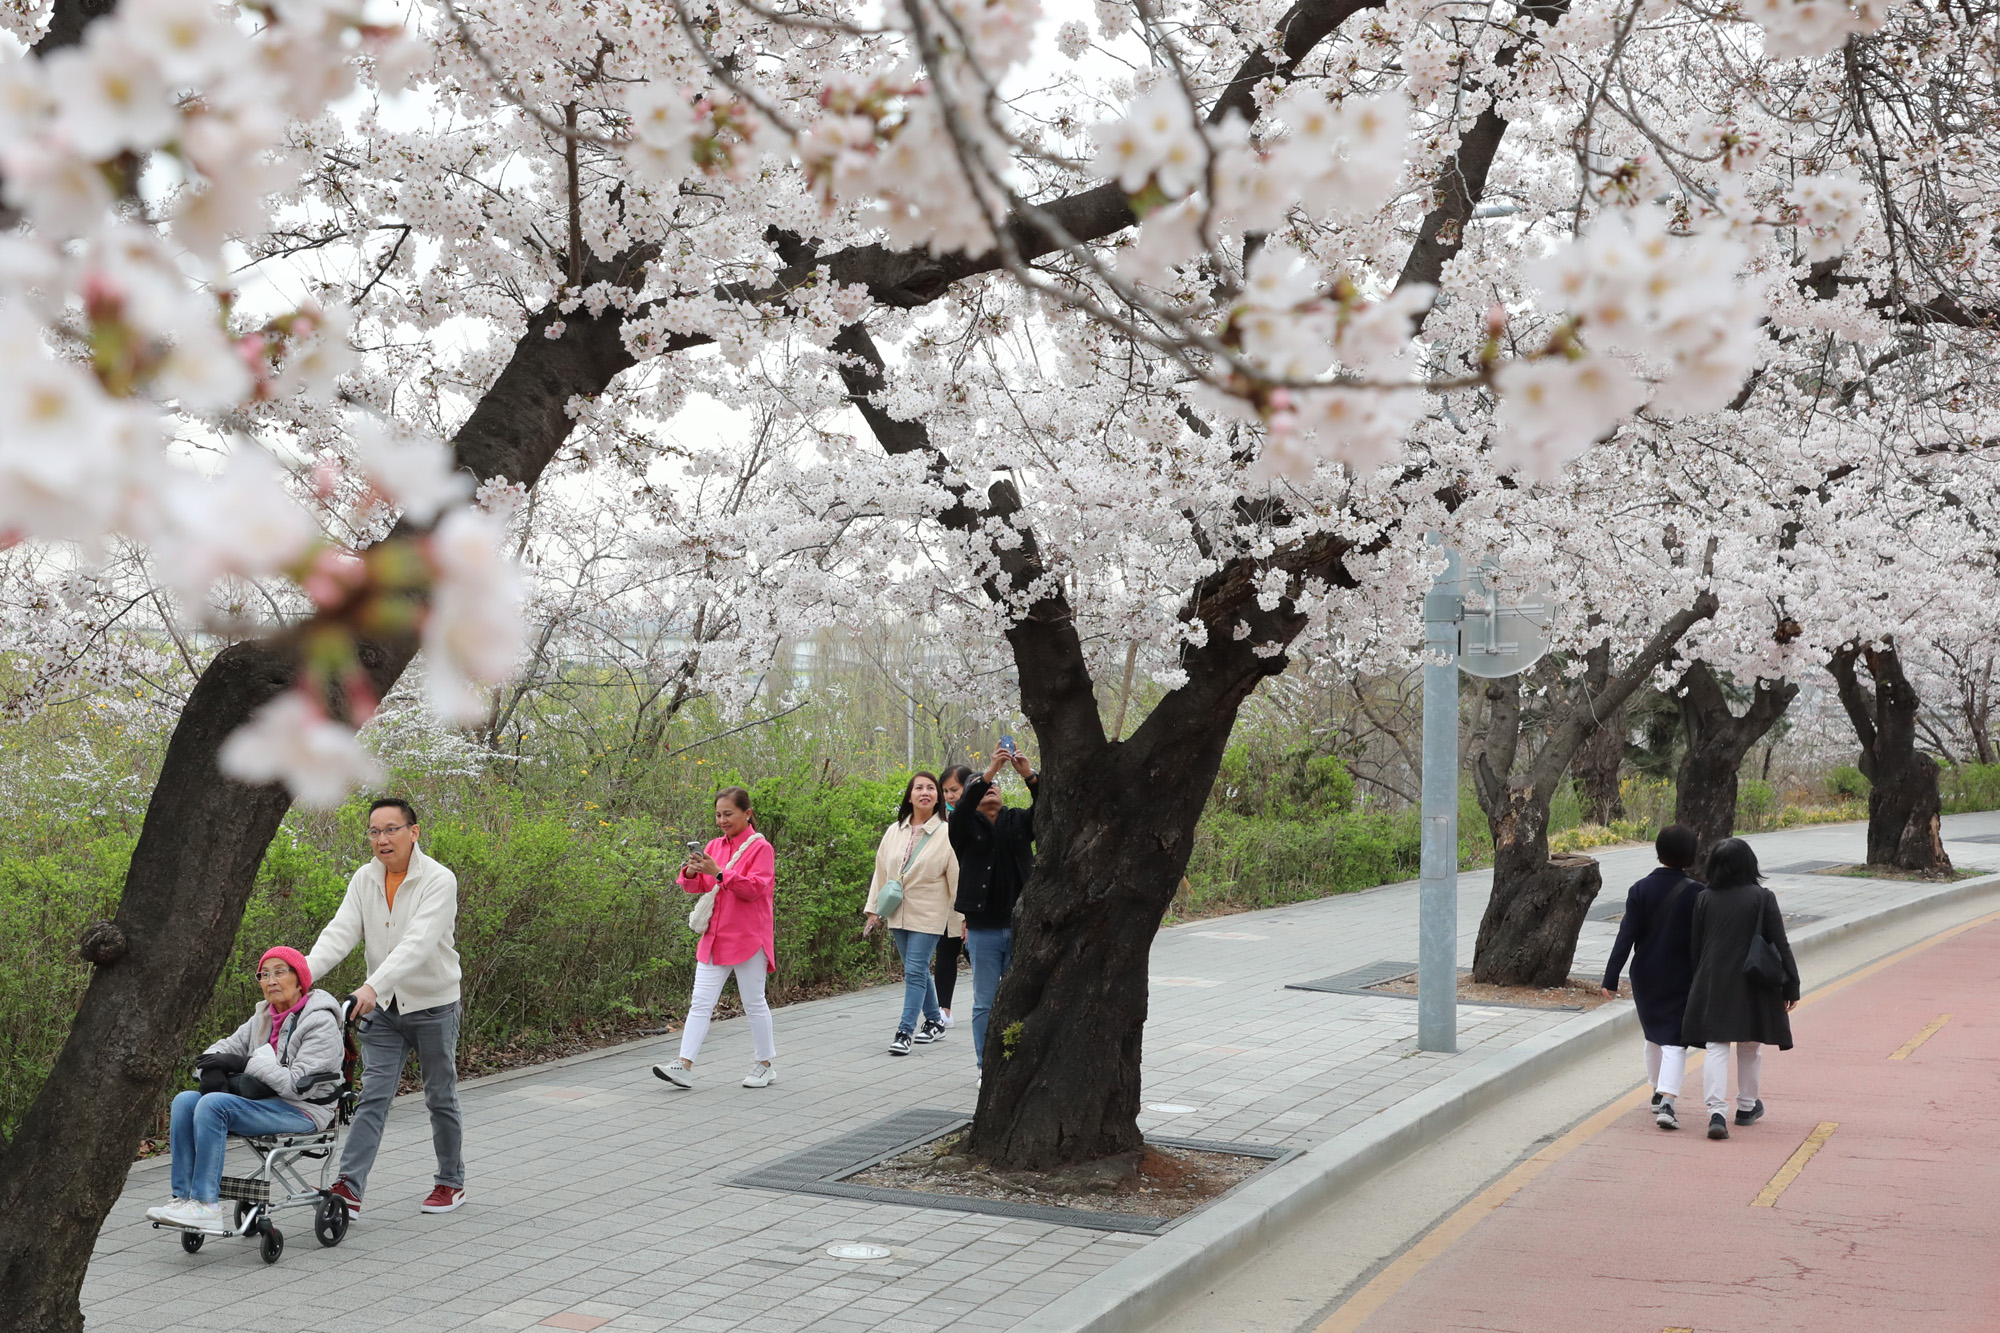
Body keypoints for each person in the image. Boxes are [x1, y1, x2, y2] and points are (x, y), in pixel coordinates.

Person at [305, 798, 467, 1217]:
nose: (382, 839)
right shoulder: (365, 879)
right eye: (375, 832)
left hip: (433, 1006)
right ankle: (349, 1188)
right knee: (372, 1098)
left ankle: (450, 1182)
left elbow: (418, 943)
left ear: (414, 832)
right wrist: (298, 975)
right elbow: (340, 932)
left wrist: (371, 986)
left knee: (440, 1096)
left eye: (391, 829)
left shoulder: (438, 880)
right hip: (384, 1011)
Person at [148, 947, 345, 1231]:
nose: (271, 980)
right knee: (185, 1101)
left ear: (300, 980)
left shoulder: (320, 1021)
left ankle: (207, 1205)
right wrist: (211, 1067)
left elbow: (295, 1086)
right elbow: (225, 1047)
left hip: (303, 1110)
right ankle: (183, 1198)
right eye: (264, 975)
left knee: (213, 1105)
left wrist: (244, 1063)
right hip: (265, 1102)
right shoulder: (263, 1015)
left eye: (279, 972)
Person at [654, 787, 778, 1090]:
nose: (722, 820)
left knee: (754, 1003)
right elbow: (697, 888)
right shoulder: (713, 845)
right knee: (700, 1003)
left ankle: (765, 1065)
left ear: (747, 813)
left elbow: (753, 889)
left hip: (749, 937)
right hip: (714, 936)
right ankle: (683, 1065)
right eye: (718, 814)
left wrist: (719, 873)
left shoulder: (761, 848)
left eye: (728, 814)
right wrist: (693, 871)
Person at [1681, 837, 1800, 1141]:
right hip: (1753, 980)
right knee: (1750, 1045)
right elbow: (1780, 943)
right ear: (1750, 864)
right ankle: (1746, 1106)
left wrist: (1697, 982)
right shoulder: (1762, 897)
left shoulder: (1705, 898)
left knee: (1716, 1046)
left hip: (1714, 979)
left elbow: (1696, 945)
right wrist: (1791, 984)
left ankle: (1715, 1112)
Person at [1599, 825, 1705, 1130]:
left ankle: (1657, 1090)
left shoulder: (1640, 889)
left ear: (1658, 852)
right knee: (1675, 1039)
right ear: (1690, 855)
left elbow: (1626, 936)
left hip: (1645, 975)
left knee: (1654, 1034)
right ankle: (1667, 1102)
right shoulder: (1698, 892)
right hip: (1682, 974)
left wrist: (1610, 977)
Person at [950, 746, 1037, 1070]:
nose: (990, 790)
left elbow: (1050, 810)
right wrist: (989, 773)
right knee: (984, 1002)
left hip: (1021, 927)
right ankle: (985, 1066)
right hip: (983, 930)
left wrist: (1028, 775)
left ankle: (1016, 1065)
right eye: (982, 787)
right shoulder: (963, 827)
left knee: (1022, 1000)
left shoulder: (1017, 820)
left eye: (995, 787)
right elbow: (961, 810)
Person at [863, 771, 960, 1055]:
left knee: (915, 971)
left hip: (930, 913)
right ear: (910, 795)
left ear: (938, 797)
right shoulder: (895, 831)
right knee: (916, 971)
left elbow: (955, 878)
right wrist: (873, 912)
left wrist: (963, 918)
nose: (925, 792)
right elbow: (880, 873)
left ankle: (905, 1031)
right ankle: (934, 1021)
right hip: (897, 912)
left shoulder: (947, 832)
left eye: (931, 788)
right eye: (919, 787)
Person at [932, 765, 976, 1027]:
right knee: (945, 953)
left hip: (972, 899)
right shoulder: (938, 823)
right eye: (945, 791)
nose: (949, 796)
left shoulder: (979, 816)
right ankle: (943, 1010)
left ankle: (994, 1000)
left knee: (977, 953)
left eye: (955, 790)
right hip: (945, 900)